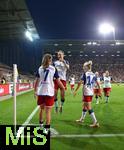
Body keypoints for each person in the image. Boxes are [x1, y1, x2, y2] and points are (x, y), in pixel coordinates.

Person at [34, 54, 65, 134]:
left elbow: (36, 81)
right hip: (49, 92)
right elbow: (58, 81)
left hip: (41, 92)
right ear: (50, 61)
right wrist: (63, 88)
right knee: (48, 112)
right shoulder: (53, 69)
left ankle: (40, 126)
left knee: (41, 109)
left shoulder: (40, 68)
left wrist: (35, 91)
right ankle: (47, 130)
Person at [74, 61, 100, 127]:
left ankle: (95, 122)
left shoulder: (85, 74)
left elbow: (80, 83)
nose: (83, 67)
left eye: (84, 66)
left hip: (87, 92)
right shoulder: (93, 74)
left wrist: (76, 90)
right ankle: (82, 119)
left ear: (86, 67)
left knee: (89, 107)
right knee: (84, 106)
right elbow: (97, 83)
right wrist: (99, 91)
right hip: (91, 92)